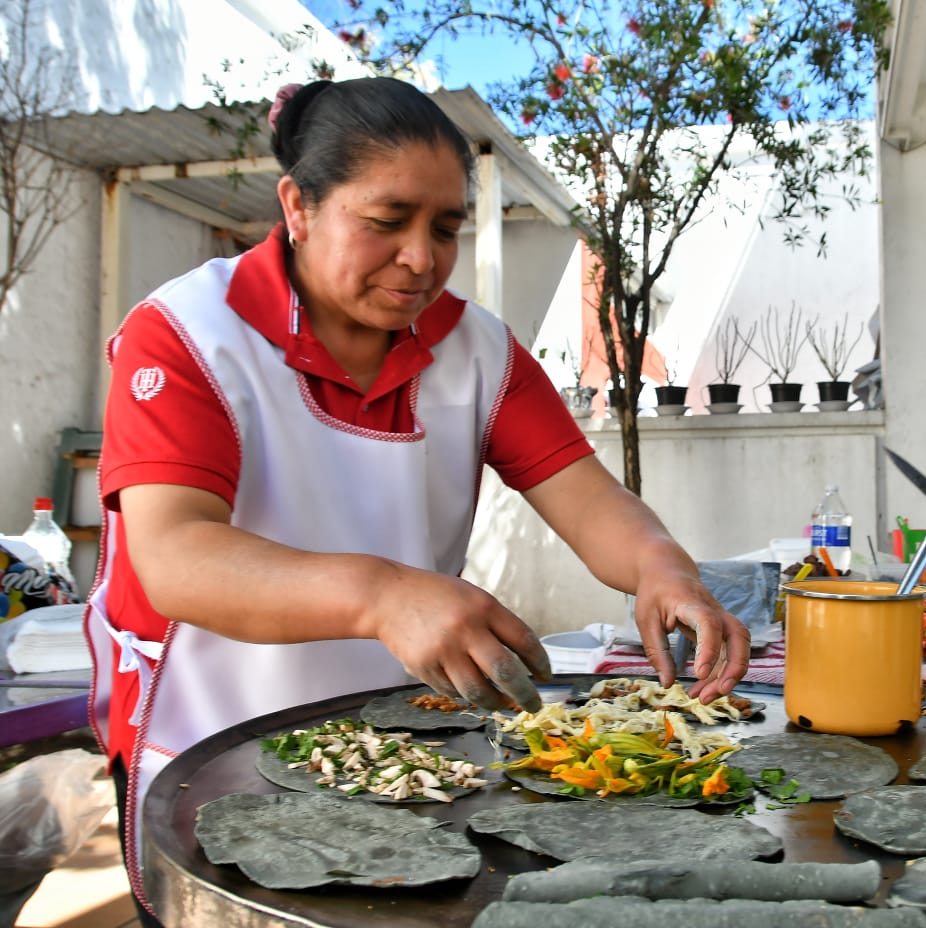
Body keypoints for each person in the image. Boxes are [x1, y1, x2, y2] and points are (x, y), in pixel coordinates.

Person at [84, 77, 750, 923]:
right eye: (386, 220)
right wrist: (387, 594)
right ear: (298, 205)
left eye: (445, 228)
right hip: (206, 740)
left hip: (400, 743)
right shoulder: (190, 335)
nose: (421, 257)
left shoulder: (475, 351)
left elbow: (584, 495)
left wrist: (662, 568)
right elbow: (177, 559)